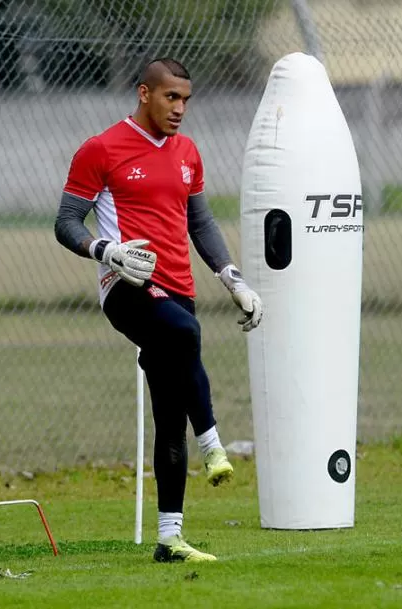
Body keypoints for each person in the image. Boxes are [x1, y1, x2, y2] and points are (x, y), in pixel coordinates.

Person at [54, 57, 263, 563]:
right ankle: (214, 441)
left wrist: (233, 279)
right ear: (144, 93)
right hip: (127, 284)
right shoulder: (101, 149)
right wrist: (106, 251)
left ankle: (170, 539)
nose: (180, 109)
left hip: (179, 288)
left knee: (170, 418)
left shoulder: (188, 151)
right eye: (171, 97)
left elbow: (201, 223)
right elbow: (65, 222)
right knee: (185, 332)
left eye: (187, 99)